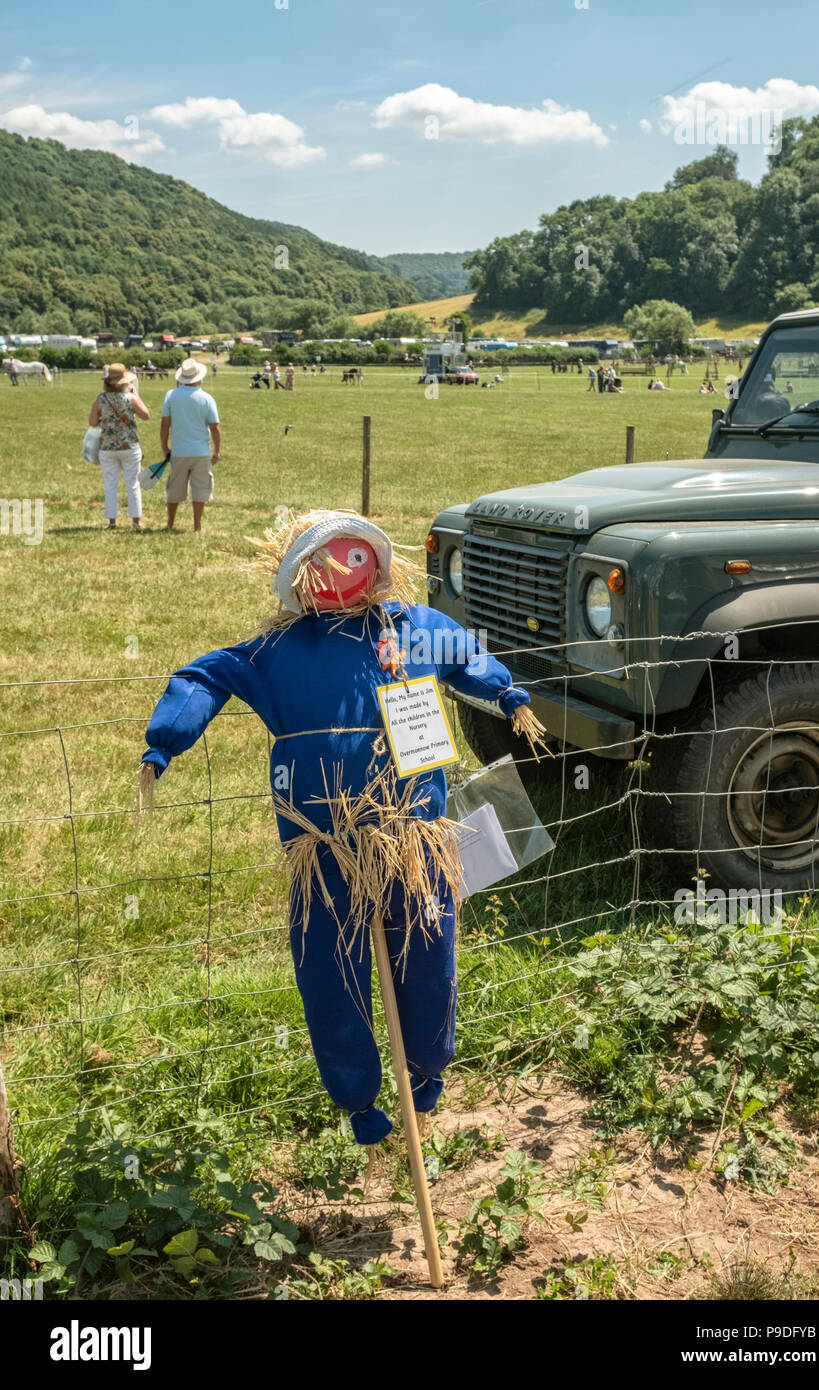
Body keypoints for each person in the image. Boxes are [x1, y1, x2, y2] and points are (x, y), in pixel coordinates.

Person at [138, 509, 543, 1146]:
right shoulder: (279, 649)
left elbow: (465, 654)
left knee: (427, 948)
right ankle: (356, 1095)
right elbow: (207, 674)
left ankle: (426, 1068)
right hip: (320, 846)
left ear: (377, 564)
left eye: (357, 557)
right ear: (300, 575)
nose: (345, 570)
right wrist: (166, 740)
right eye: (327, 560)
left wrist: (505, 692)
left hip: (413, 838)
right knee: (329, 965)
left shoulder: (411, 629)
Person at [159, 358, 221, 533]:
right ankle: (197, 526)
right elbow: (215, 427)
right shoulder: (207, 398)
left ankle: (170, 523)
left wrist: (164, 447)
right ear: (199, 377)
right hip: (201, 452)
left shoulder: (171, 396)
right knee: (200, 489)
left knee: (174, 489)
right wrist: (216, 450)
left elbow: (165, 424)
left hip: (179, 451)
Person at [89, 362, 150, 531]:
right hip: (129, 446)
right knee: (133, 484)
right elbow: (145, 415)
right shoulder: (130, 398)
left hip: (107, 447)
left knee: (110, 485)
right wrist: (136, 396)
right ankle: (136, 521)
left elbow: (92, 422)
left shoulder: (100, 399)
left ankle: (112, 521)